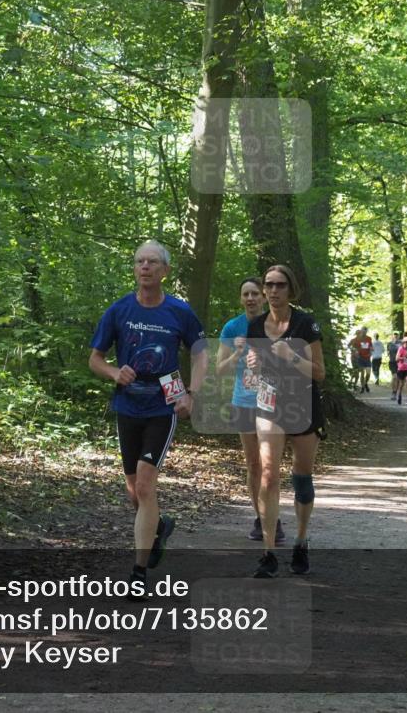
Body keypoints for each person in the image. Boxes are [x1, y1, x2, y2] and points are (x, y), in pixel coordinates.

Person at [89, 240, 207, 598]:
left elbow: (201, 353)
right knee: (134, 492)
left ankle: (138, 574)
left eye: (152, 262)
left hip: (163, 405)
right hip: (127, 406)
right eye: (140, 261)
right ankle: (158, 526)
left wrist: (191, 393)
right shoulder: (119, 310)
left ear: (165, 270)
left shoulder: (179, 311)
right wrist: (114, 373)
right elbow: (95, 358)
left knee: (144, 484)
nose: (145, 267)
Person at [246, 264, 325, 578]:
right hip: (270, 404)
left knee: (301, 478)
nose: (274, 290)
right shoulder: (255, 327)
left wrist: (290, 356)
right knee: (268, 475)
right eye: (269, 285)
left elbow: (319, 373)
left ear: (290, 289)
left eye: (280, 285)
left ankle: (301, 541)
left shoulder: (305, 324)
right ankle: (268, 553)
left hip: (303, 404)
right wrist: (253, 367)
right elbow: (254, 376)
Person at [217, 277, 285, 545]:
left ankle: (272, 518)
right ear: (240, 298)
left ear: (264, 296)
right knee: (254, 464)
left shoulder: (276, 323)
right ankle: (262, 518)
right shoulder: (232, 327)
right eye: (246, 294)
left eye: (256, 293)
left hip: (272, 402)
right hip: (243, 402)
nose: (251, 298)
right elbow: (219, 369)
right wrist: (237, 354)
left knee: (271, 466)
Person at [348, 327, 373, 394]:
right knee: (360, 372)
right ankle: (360, 386)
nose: (363, 333)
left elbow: (370, 346)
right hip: (358, 358)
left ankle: (364, 383)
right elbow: (350, 346)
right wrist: (354, 350)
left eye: (365, 331)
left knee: (368, 373)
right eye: (362, 331)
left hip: (367, 358)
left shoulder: (369, 338)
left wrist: (371, 350)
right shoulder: (356, 339)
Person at [395, 334, 407, 406]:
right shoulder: (401, 349)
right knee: (401, 384)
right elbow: (396, 359)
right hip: (401, 368)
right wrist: (403, 358)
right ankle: (399, 395)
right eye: (406, 342)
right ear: (403, 343)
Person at [386, 332, 401, 400]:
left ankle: (395, 391)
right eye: (394, 336)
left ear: (398, 337)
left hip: (400, 363)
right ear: (392, 336)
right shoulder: (389, 344)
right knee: (394, 377)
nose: (395, 337)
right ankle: (393, 392)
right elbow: (388, 352)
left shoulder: (401, 343)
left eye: (397, 336)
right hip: (392, 362)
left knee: (398, 378)